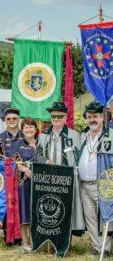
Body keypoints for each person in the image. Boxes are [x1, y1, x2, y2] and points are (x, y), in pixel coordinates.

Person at [35, 101, 85, 236]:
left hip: (66, 178)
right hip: (49, 179)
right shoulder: (44, 135)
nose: (56, 119)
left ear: (65, 117)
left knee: (66, 207)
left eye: (59, 117)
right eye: (53, 117)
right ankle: (50, 236)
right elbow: (37, 155)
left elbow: (79, 156)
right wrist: (46, 160)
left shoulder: (74, 135)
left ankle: (65, 238)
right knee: (51, 207)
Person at [78, 101, 112, 255]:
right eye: (89, 117)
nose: (92, 119)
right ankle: (96, 246)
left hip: (103, 183)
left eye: (95, 117)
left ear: (102, 117)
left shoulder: (109, 135)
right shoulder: (83, 136)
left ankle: (106, 247)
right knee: (90, 217)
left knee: (106, 215)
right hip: (84, 184)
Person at [16, 118, 38, 252]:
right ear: (22, 130)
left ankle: (36, 240)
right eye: (26, 128)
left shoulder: (43, 142)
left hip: (39, 182)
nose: (29, 130)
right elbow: (12, 162)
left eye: (31, 127)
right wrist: (25, 169)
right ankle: (25, 241)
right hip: (23, 182)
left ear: (36, 129)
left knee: (36, 211)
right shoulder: (18, 144)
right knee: (24, 211)